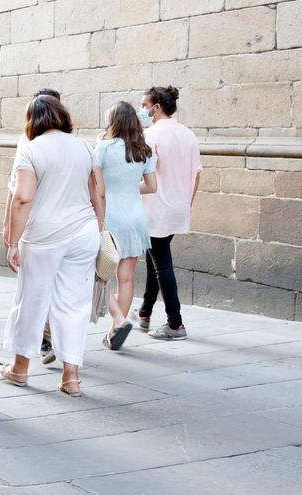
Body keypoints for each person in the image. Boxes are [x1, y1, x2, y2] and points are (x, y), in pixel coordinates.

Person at [0, 95, 105, 398]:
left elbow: (22, 199)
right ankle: (71, 377)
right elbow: (98, 194)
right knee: (74, 303)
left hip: (44, 235)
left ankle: (20, 368)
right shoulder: (85, 146)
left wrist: (12, 242)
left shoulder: (30, 150)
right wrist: (97, 228)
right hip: (84, 230)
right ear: (61, 116)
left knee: (31, 299)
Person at [134, 86, 201, 341]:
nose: (142, 109)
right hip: (177, 208)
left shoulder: (151, 136)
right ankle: (145, 312)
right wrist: (186, 203)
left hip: (155, 207)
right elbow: (197, 174)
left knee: (161, 264)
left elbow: (144, 175)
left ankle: (175, 323)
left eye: (144, 105)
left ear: (157, 107)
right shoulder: (188, 134)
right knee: (155, 260)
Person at [3, 87, 61, 366]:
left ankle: (24, 361)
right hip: (69, 230)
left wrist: (12, 236)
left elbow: (18, 193)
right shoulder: (78, 144)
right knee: (58, 288)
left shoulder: (28, 143)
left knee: (33, 291)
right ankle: (54, 342)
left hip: (37, 227)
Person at [96, 102, 158, 350]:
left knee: (98, 277)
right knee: (127, 278)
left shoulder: (103, 148)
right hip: (135, 217)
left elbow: (98, 190)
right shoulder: (143, 150)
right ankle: (114, 331)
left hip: (110, 217)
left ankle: (119, 322)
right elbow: (151, 186)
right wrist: (131, 188)